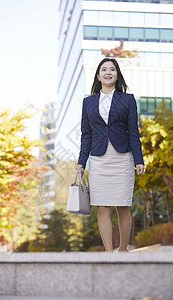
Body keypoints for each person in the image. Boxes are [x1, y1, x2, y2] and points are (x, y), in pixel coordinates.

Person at [77, 58, 145, 252]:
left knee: (122, 205)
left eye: (112, 69)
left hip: (122, 158)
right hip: (98, 159)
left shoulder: (127, 99)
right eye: (104, 70)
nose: (108, 72)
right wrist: (82, 162)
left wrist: (138, 160)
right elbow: (86, 134)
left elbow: (133, 131)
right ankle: (108, 254)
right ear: (98, 76)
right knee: (102, 207)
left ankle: (123, 250)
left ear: (117, 74)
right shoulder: (88, 102)